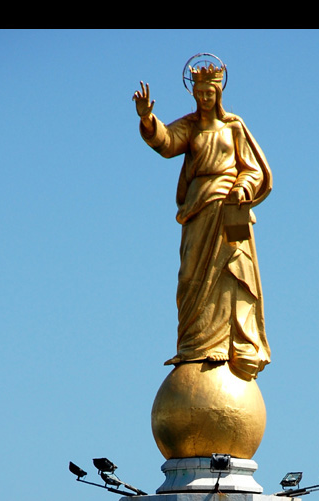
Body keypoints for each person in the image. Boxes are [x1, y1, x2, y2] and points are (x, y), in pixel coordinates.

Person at [133, 63, 272, 381]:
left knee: (225, 274)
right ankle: (194, 343)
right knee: (192, 277)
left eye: (210, 92)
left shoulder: (233, 127)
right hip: (197, 210)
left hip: (226, 209)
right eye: (200, 93)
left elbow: (254, 170)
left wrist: (240, 187)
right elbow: (166, 143)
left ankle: (224, 342)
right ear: (194, 95)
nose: (206, 97)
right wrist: (146, 118)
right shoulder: (191, 127)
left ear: (218, 93)